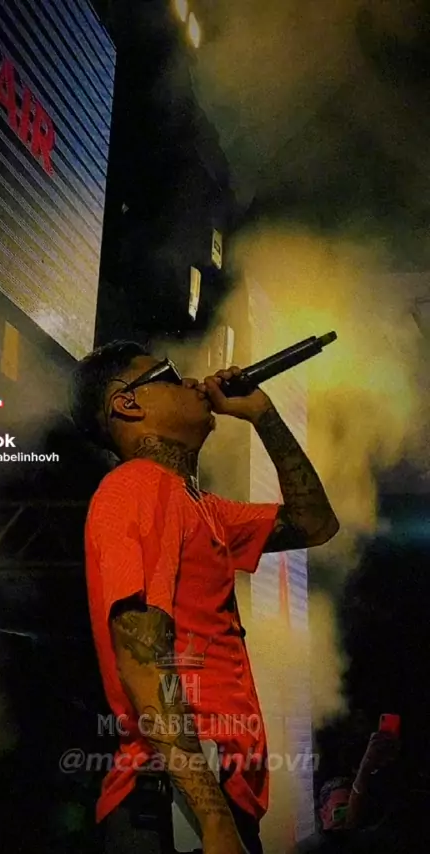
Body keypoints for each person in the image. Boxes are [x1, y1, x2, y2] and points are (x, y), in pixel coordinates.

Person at [70, 340, 339, 854]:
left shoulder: (201, 506)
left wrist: (263, 415)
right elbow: (144, 659)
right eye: (169, 374)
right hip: (177, 806)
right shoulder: (136, 486)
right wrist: (213, 819)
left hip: (208, 797)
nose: (193, 381)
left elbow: (315, 523)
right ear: (128, 402)